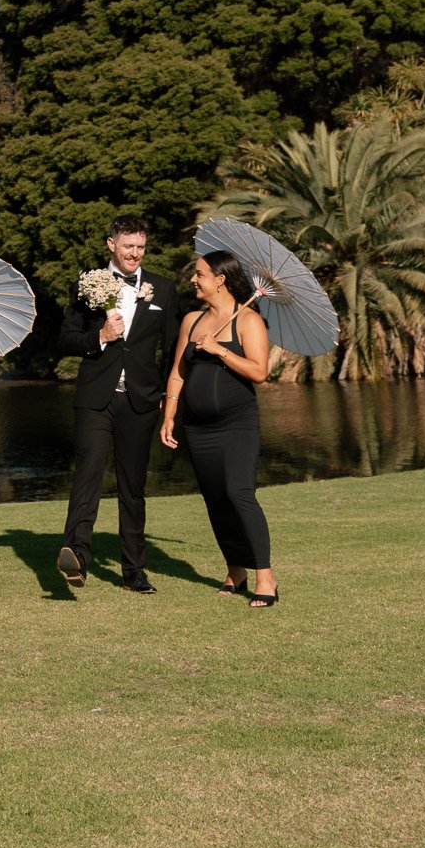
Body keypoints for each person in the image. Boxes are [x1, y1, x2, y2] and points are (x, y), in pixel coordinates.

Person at [56, 214, 185, 594]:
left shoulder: (162, 288)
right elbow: (65, 340)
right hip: (96, 397)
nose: (135, 253)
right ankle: (77, 555)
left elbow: (173, 347)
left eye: (140, 247)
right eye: (128, 246)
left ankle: (134, 571)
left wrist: (166, 394)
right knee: (88, 474)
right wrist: (99, 335)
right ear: (111, 244)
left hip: (141, 401)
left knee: (133, 486)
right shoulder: (87, 285)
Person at [161, 251, 280, 607]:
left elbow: (259, 372)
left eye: (199, 274)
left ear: (220, 279)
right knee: (215, 500)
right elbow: (178, 372)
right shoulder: (191, 321)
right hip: (197, 427)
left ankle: (266, 577)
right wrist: (169, 415)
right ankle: (236, 571)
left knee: (239, 493)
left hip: (236, 423)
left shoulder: (249, 321)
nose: (193, 280)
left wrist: (219, 350)